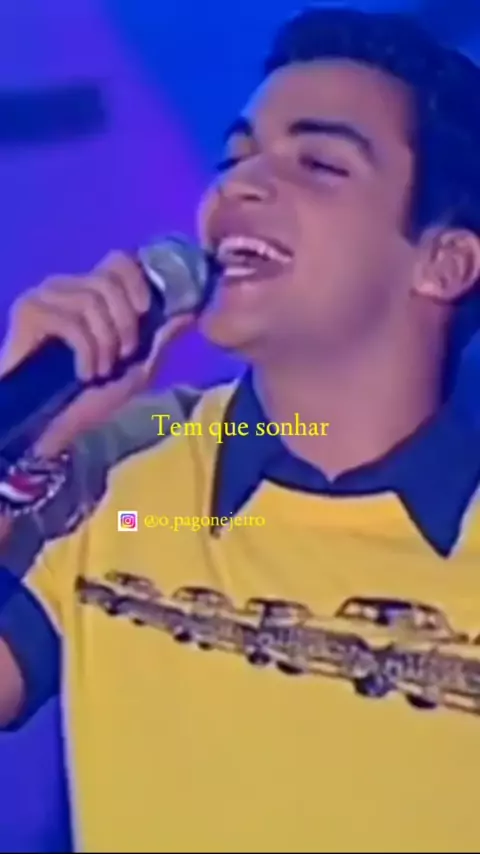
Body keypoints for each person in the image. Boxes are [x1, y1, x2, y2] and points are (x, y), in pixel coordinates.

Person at [1, 5, 480, 851]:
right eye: (235, 157)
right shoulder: (122, 480)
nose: (239, 187)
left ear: (444, 263)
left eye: (319, 163)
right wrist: (21, 439)